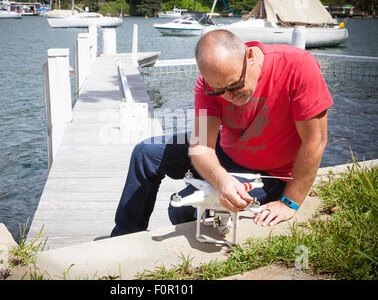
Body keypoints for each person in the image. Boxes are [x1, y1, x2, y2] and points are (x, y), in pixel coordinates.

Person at [110, 30, 332, 237]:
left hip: (269, 172)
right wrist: (221, 179)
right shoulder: (208, 85)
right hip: (225, 151)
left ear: (251, 57)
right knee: (145, 153)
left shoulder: (298, 66)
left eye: (235, 86)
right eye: (219, 90)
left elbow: (315, 141)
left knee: (181, 209)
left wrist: (289, 202)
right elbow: (202, 146)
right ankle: (123, 237)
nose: (229, 98)